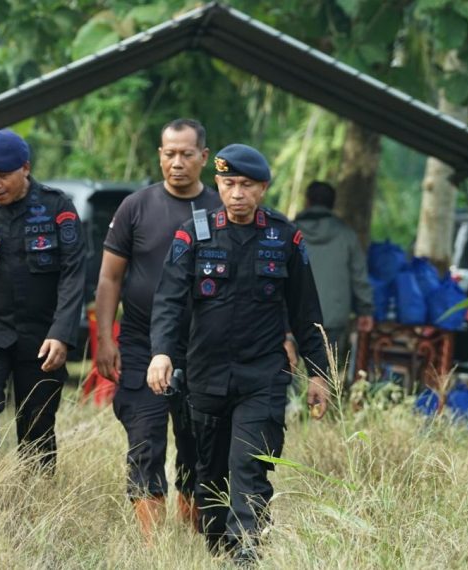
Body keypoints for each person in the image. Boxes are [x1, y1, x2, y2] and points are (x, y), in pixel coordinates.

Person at [147, 144, 330, 563]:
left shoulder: (284, 237)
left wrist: (318, 374)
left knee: (250, 468)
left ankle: (247, 556)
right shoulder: (194, 233)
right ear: (217, 184)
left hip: (262, 376)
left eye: (247, 185)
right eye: (229, 184)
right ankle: (218, 551)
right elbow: (170, 301)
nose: (237, 194)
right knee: (210, 476)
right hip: (205, 376)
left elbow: (307, 313)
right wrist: (162, 353)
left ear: (263, 188)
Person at [94, 119, 220, 539]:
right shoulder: (136, 206)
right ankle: (154, 547)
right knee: (145, 437)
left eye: (187, 154)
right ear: (159, 156)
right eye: (170, 154)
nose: (178, 163)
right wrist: (106, 339)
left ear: (204, 157)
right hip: (139, 341)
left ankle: (190, 532)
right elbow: (110, 279)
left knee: (197, 441)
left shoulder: (221, 211)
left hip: (201, 347)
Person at [0, 129, 85, 473]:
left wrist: (61, 333)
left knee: (37, 424)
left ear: (25, 168)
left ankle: (35, 502)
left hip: (42, 335)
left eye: (3, 176)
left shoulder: (58, 207)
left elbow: (73, 274)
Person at [294, 180, 375, 350]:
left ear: (307, 201)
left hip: (293, 314)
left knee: (288, 369)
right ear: (333, 204)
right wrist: (365, 310)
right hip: (332, 317)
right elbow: (359, 276)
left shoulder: (289, 231)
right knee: (324, 371)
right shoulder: (346, 234)